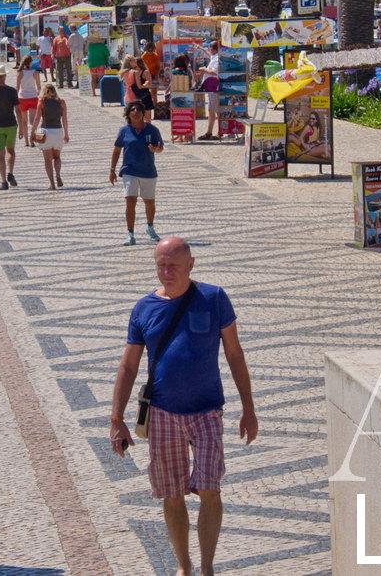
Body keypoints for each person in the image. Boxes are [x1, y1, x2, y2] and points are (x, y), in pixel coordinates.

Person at [108, 237, 258, 576]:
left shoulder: (214, 298)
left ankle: (206, 567)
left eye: (173, 265)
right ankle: (184, 565)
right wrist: (116, 418)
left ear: (191, 264)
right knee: (172, 494)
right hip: (162, 413)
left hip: (207, 410)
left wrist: (248, 409)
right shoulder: (144, 309)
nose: (166, 272)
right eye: (160, 265)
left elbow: (234, 354)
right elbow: (129, 366)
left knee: (209, 487)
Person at [110, 102, 164, 245]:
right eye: (133, 110)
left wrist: (155, 149)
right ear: (128, 114)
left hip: (148, 170)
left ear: (143, 112)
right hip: (129, 170)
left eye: (139, 109)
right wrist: (112, 170)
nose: (136, 112)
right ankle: (130, 233)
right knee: (130, 201)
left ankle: (150, 227)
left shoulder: (152, 130)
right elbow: (116, 150)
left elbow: (160, 147)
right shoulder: (124, 131)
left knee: (149, 202)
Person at [29, 82, 70, 190]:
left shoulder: (42, 102)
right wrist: (66, 134)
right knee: (57, 157)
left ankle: (52, 183)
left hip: (46, 132)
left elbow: (37, 118)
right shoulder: (61, 102)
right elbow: (64, 119)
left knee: (47, 160)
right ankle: (58, 175)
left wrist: (32, 133)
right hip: (58, 131)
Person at [14, 55, 42, 148]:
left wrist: (15, 97)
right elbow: (39, 87)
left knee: (24, 121)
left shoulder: (20, 73)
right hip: (33, 97)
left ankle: (26, 141)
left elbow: (17, 87)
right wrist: (37, 93)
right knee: (33, 121)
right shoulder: (35, 73)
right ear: (30, 63)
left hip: (22, 98)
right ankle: (32, 139)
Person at [198, 43, 222, 141]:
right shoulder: (214, 56)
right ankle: (209, 132)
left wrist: (204, 69)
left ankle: (221, 131)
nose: (209, 50)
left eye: (210, 48)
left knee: (215, 110)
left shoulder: (217, 59)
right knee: (212, 110)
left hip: (213, 87)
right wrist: (200, 48)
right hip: (210, 87)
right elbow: (209, 54)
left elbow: (214, 72)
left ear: (214, 49)